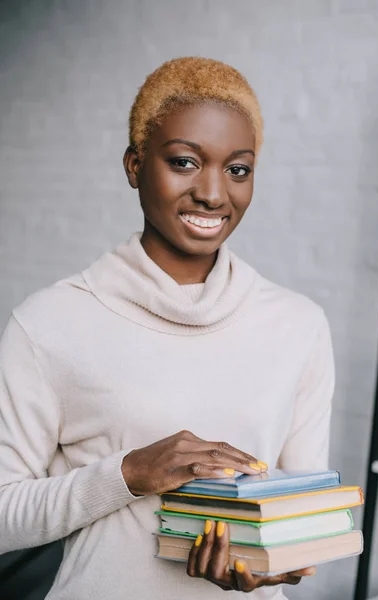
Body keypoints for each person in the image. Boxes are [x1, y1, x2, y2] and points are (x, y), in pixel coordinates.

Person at [0, 57, 334, 599]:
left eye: (238, 169)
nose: (212, 193)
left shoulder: (298, 324)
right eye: (184, 162)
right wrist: (129, 473)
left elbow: (299, 502)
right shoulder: (48, 325)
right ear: (134, 166)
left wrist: (281, 560)